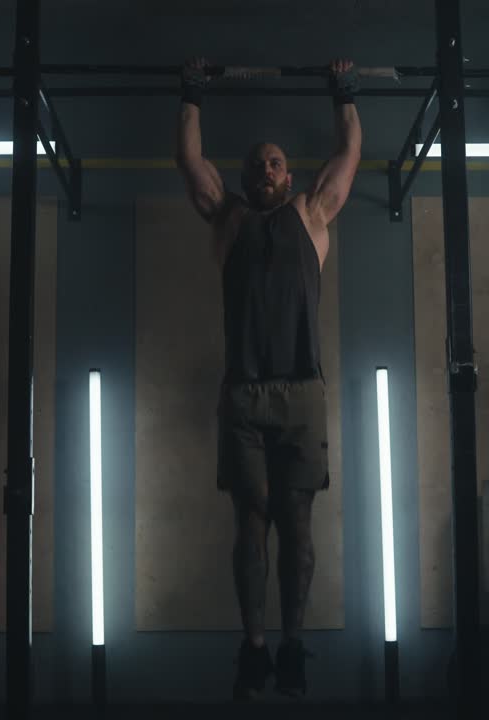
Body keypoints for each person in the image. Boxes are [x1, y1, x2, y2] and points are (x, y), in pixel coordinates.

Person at [174, 57, 362, 699]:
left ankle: (291, 647)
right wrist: (191, 93)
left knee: (298, 523)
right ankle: (255, 650)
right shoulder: (230, 219)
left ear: (289, 174)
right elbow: (191, 162)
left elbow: (348, 150)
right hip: (246, 397)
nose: (265, 169)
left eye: (275, 161)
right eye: (256, 163)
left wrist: (345, 90)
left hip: (303, 392)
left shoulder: (313, 214)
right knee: (251, 521)